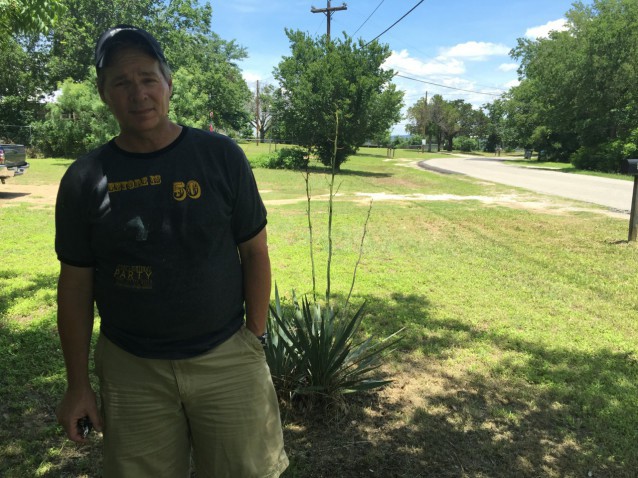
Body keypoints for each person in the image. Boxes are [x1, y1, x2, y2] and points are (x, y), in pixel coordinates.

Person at [54, 24, 288, 477]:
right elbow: (76, 282)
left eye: (147, 78)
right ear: (104, 94)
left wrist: (254, 336)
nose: (137, 93)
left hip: (227, 357)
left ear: (168, 84)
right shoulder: (84, 179)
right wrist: (77, 384)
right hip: (131, 369)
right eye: (121, 82)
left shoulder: (221, 157)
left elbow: (254, 252)